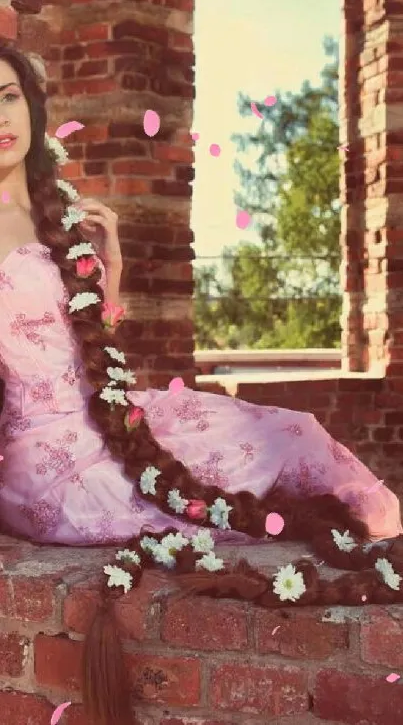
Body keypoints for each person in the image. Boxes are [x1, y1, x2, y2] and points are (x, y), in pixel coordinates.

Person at [0, 40, 401, 725]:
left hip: (113, 414)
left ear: (31, 106)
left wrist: (112, 269)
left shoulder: (54, 211)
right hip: (48, 459)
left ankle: (381, 530)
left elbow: (97, 350)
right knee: (204, 498)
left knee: (288, 432)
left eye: (6, 97)